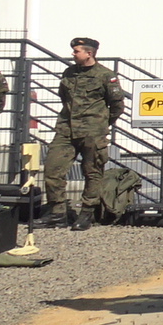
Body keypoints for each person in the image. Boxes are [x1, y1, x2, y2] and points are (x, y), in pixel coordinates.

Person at [40, 37, 124, 231]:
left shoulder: (105, 75)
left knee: (92, 172)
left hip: (92, 132)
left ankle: (86, 213)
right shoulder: (69, 73)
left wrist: (100, 124)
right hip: (66, 129)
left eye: (77, 51)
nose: (73, 54)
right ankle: (57, 213)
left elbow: (117, 106)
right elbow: (64, 97)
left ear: (89, 53)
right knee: (53, 169)